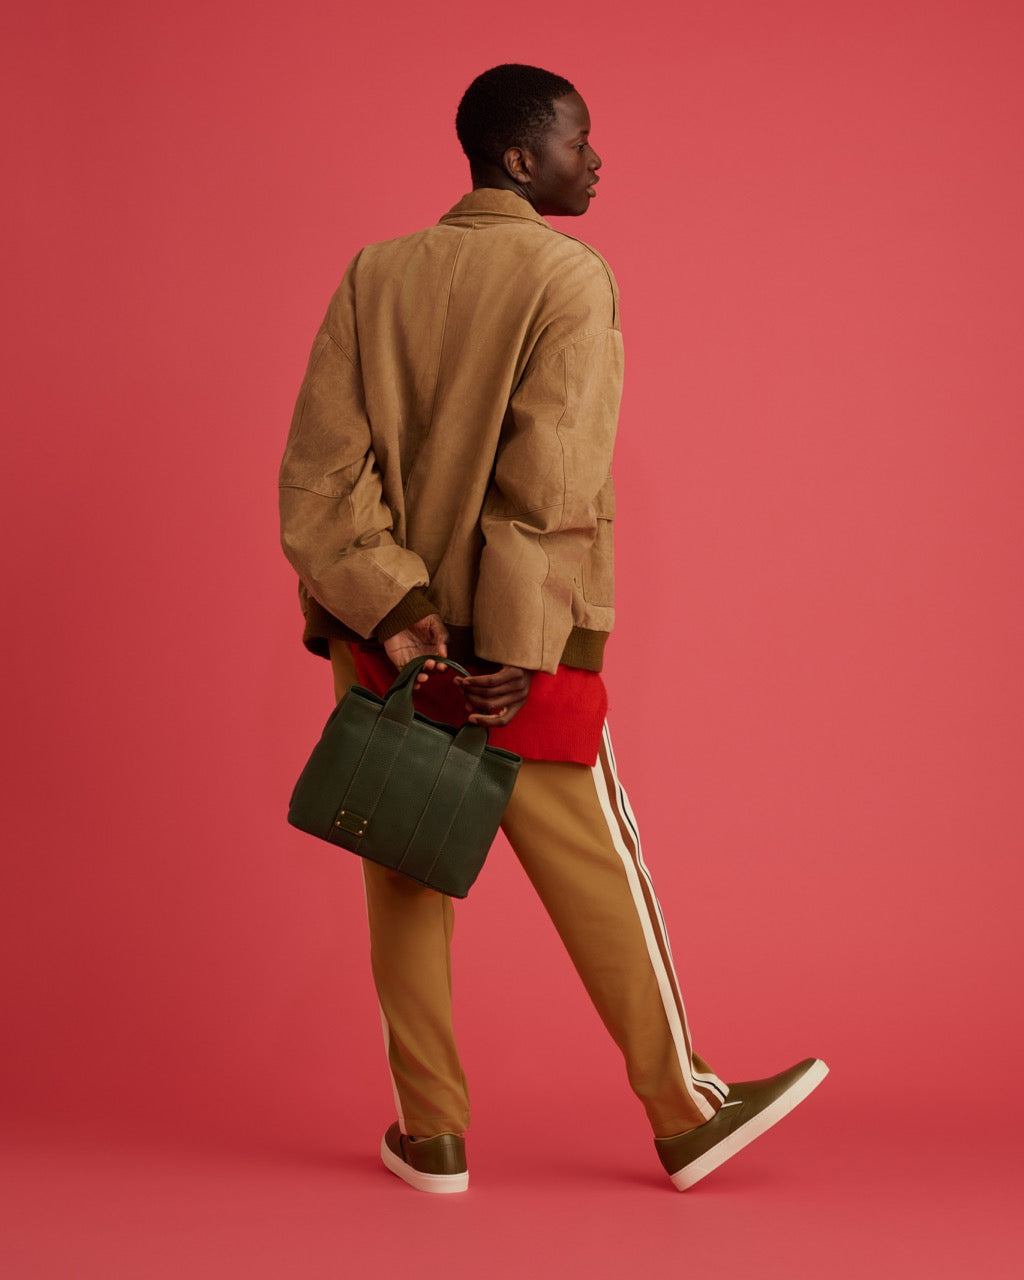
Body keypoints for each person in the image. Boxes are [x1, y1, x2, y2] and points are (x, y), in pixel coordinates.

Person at [279, 63, 827, 1194]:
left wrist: (407, 618)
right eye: (581, 141)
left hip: (385, 638)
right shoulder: (568, 274)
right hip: (513, 647)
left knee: (404, 866)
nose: (597, 160)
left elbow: (321, 479)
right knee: (594, 859)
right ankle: (684, 1110)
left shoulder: (373, 273)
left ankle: (431, 1134)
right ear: (522, 159)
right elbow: (552, 482)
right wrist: (518, 650)